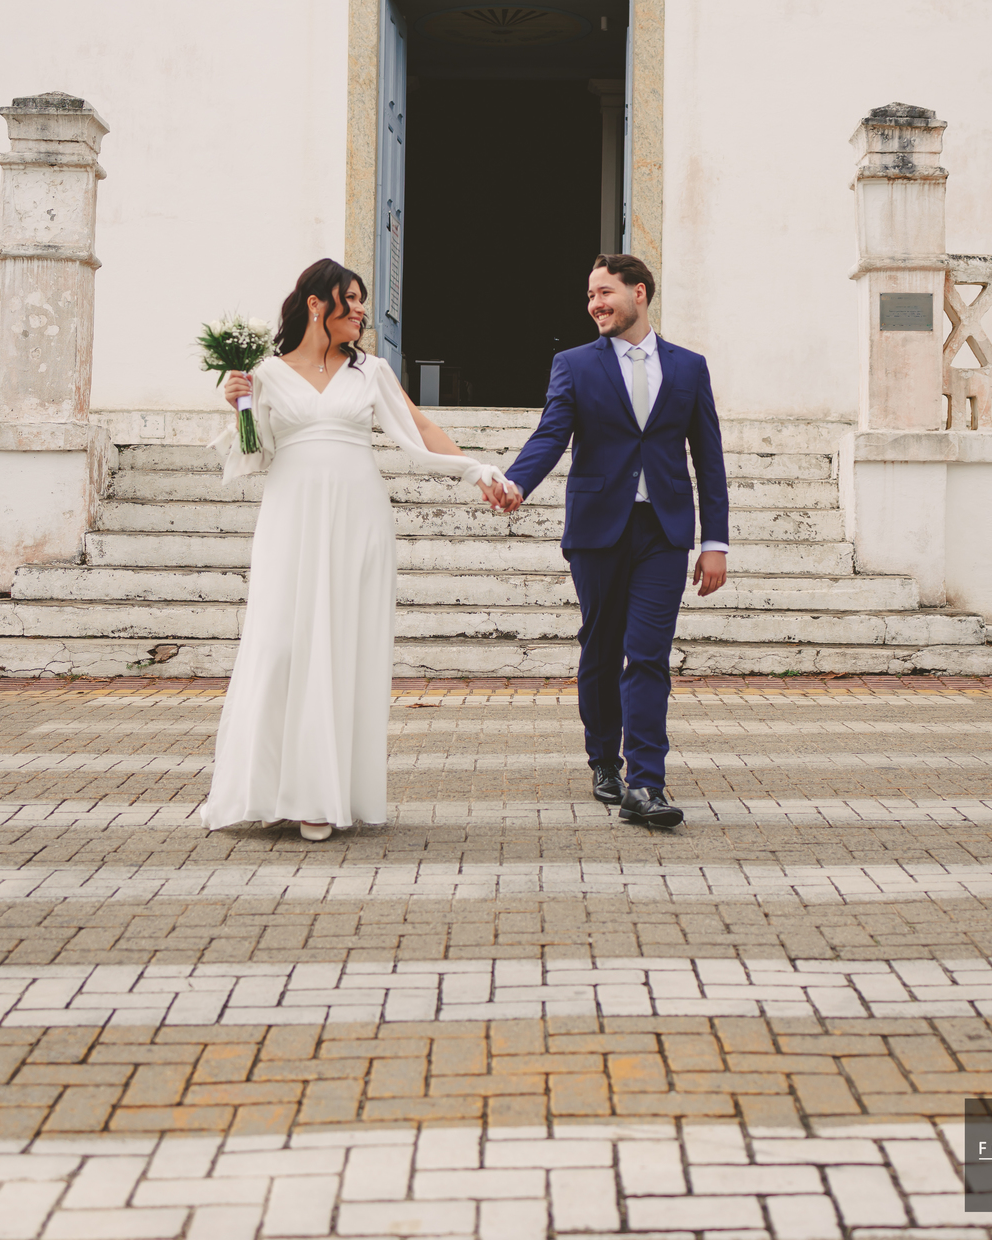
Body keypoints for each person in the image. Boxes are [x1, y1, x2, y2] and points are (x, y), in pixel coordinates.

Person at [200, 258, 512, 841]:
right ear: (317, 303)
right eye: (352, 298)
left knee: (341, 647)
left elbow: (419, 429)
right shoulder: (265, 373)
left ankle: (321, 796)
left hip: (358, 518)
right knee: (278, 644)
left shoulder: (371, 372)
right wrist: (238, 404)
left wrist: (476, 470)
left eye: (364, 300)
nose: (363, 311)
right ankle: (266, 790)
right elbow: (255, 455)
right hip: (290, 516)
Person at [500, 254, 729, 829]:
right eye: (590, 296)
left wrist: (715, 540)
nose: (595, 304)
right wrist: (517, 482)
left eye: (604, 292)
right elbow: (552, 433)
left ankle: (646, 782)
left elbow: (708, 456)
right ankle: (604, 759)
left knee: (648, 653)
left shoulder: (688, 367)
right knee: (601, 648)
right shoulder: (575, 364)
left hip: (663, 531)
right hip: (598, 528)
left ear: (639, 293)